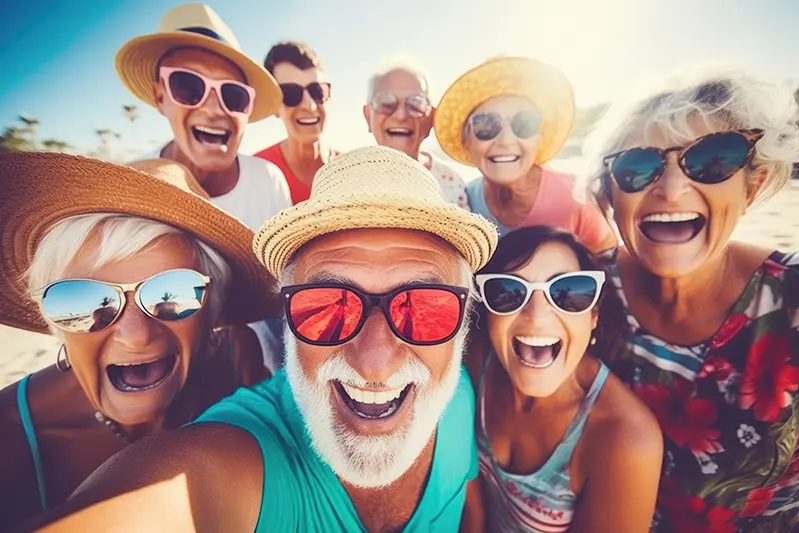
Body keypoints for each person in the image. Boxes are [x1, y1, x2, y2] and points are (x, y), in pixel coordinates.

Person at [27, 146, 498, 533]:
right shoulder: (240, 454)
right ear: (287, 320)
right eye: (326, 305)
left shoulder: (459, 398)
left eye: (425, 308)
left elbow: (470, 512)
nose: (375, 362)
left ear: (464, 321)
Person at [0, 153, 276, 531]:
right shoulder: (9, 435)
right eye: (82, 301)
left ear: (213, 309)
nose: (136, 334)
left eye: (172, 293)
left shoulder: (238, 357)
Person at [585, 71, 799, 531]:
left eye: (711, 158)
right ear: (609, 196)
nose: (671, 189)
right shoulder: (579, 293)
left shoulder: (793, 302)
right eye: (637, 167)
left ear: (753, 186)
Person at [116, 3, 292, 370]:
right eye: (188, 86)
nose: (214, 109)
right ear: (159, 95)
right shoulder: (128, 188)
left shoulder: (267, 180)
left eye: (234, 95)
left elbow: (282, 291)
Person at [461, 226, 662, 533]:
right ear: (487, 311)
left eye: (568, 292)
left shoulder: (625, 440)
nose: (537, 316)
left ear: (593, 315)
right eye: (508, 292)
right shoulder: (475, 361)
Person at [435, 56, 617, 253]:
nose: (505, 140)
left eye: (525, 123)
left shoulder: (579, 196)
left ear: (540, 136)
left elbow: (611, 270)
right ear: (467, 141)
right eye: (486, 125)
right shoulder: (464, 201)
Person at [364, 59, 469, 209]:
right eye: (386, 103)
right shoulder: (347, 181)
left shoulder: (451, 183)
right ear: (368, 116)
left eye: (416, 104)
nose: (401, 115)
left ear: (431, 117)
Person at [254, 41, 338, 205]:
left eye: (317, 91)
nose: (310, 105)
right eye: (291, 94)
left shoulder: (353, 173)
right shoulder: (257, 176)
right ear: (274, 107)